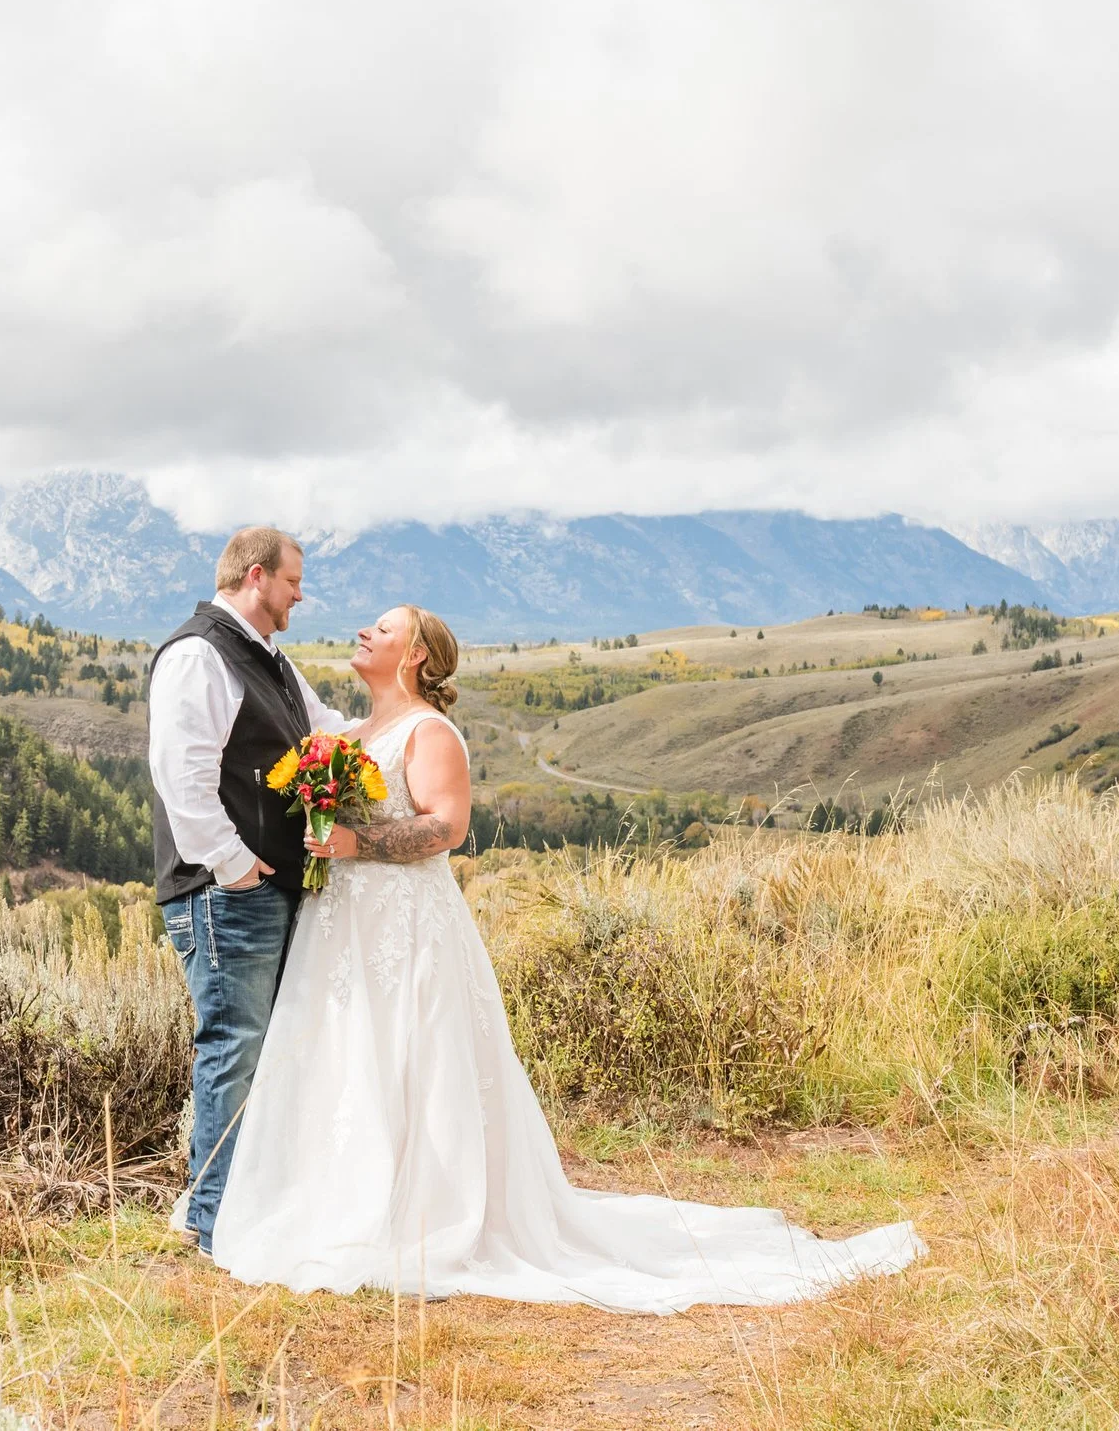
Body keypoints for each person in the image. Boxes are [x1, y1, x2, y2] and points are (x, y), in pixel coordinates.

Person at [208, 604, 925, 1311]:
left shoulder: (430, 732)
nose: (366, 631)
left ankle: (421, 1212)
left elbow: (447, 826)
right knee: (350, 1056)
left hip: (409, 929)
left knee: (414, 1058)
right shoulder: (351, 732)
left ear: (416, 654)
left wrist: (358, 844)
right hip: (345, 928)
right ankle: (341, 1203)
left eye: (384, 627)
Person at [146, 526, 352, 1257]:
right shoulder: (199, 653)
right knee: (233, 1050)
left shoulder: (271, 660)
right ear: (257, 576)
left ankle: (246, 1211)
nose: (301, 593)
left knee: (264, 1052)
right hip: (225, 893)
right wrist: (233, 865)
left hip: (262, 890)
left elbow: (326, 732)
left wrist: (407, 723)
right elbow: (182, 774)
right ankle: (212, 1225)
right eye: (294, 580)